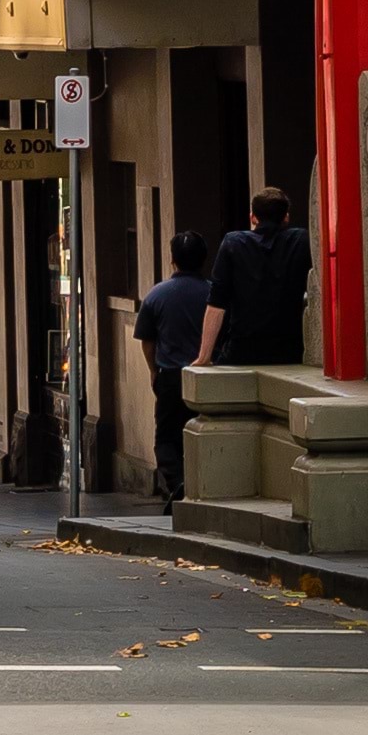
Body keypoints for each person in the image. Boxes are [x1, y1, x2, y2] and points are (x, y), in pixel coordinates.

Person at [133, 231, 210, 506]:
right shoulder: (213, 294)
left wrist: (153, 371)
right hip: (206, 377)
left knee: (167, 437)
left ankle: (177, 483)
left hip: (171, 377)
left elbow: (147, 341)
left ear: (172, 260)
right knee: (204, 433)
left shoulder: (157, 295)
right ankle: (203, 484)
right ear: (204, 260)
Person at [194, 188, 311, 368]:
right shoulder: (301, 240)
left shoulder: (233, 243)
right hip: (289, 350)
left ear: (253, 217)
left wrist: (204, 356)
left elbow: (217, 303)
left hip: (243, 349)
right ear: (286, 217)